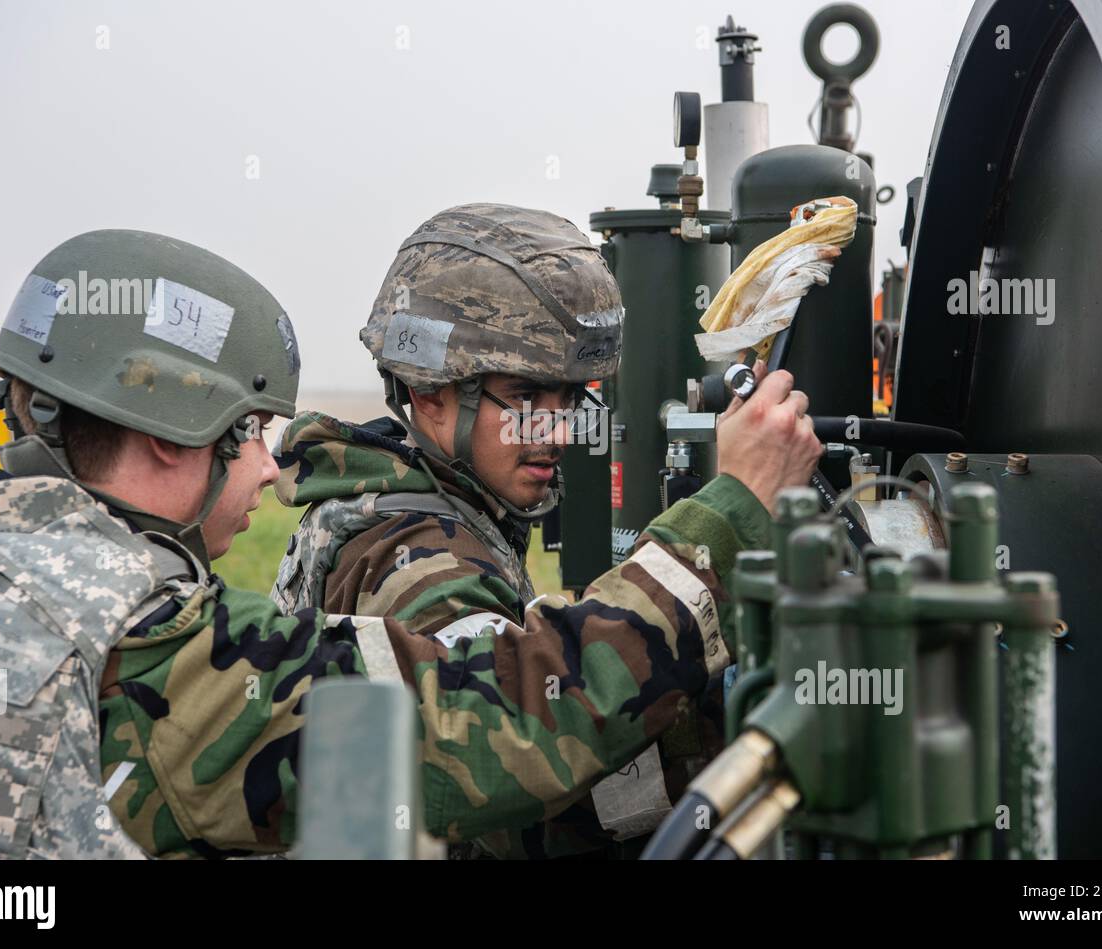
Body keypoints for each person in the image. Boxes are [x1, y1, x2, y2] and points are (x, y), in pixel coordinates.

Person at [0, 223, 817, 860]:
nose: (271, 469)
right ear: (168, 436)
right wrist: (727, 514)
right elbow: (482, 721)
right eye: (249, 432)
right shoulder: (145, 650)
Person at [269, 204, 823, 857]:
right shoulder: (416, 559)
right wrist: (727, 514)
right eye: (525, 396)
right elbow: (510, 768)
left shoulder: (417, 502)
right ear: (428, 391)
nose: (557, 432)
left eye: (568, 397)